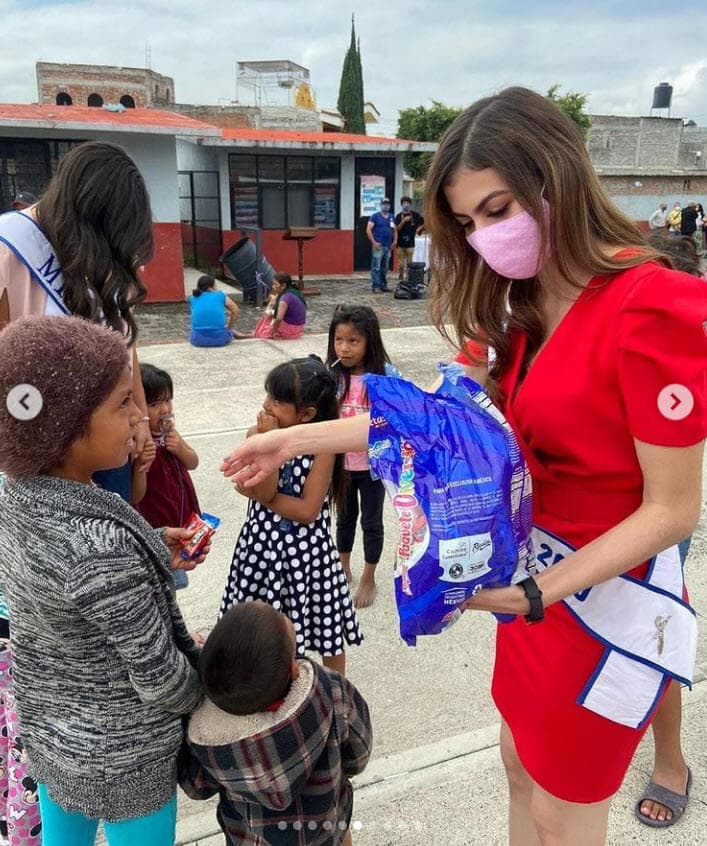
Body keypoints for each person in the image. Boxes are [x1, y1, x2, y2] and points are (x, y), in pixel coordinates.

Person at [220, 87, 705, 846]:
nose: (485, 236)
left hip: (590, 602)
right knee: (517, 767)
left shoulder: (652, 307)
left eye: (498, 208)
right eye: (469, 222)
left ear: (557, 179)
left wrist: (539, 594)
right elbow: (428, 423)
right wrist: (289, 441)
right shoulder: (515, 307)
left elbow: (672, 511)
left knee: (564, 808)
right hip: (525, 596)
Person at [0, 140, 157, 845]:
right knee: (69, 621)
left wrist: (139, 417)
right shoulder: (13, 251)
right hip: (41, 469)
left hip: (96, 455)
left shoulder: (90, 260)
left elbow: (121, 344)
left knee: (113, 589)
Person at [0, 315, 208, 846]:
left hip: (53, 738)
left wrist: (150, 547)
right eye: (123, 403)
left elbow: (69, 586)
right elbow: (162, 680)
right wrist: (205, 684)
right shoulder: (98, 548)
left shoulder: (16, 497)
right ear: (65, 427)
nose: (141, 416)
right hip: (125, 760)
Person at [178, 601, 372, 846]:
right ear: (293, 670)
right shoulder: (330, 692)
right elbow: (359, 753)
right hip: (327, 830)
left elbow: (196, 787)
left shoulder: (210, 739)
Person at [220, 357, 362, 678]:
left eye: (278, 400)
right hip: (261, 549)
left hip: (308, 554)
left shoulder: (323, 446)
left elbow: (305, 510)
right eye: (268, 395)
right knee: (261, 625)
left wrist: (259, 492)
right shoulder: (255, 433)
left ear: (307, 414)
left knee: (327, 628)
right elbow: (259, 488)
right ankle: (271, 684)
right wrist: (263, 452)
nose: (266, 405)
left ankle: (337, 688)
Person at [326, 305, 400, 608]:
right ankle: (342, 567)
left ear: (370, 341)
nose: (344, 348)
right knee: (344, 519)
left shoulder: (386, 376)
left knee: (371, 522)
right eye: (339, 340)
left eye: (353, 341)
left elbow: (401, 416)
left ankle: (369, 577)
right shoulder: (330, 377)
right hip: (341, 466)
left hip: (373, 468)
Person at [134, 363, 200, 591]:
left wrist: (180, 448)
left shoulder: (170, 433)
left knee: (173, 582)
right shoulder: (137, 442)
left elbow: (193, 462)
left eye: (167, 400)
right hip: (155, 522)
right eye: (154, 404)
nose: (164, 409)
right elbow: (135, 493)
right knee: (158, 582)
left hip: (178, 516)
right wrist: (142, 462)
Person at [188, 274, 243, 346]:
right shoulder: (220, 295)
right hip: (220, 339)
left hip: (197, 340)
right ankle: (237, 334)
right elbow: (235, 309)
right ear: (211, 287)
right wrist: (230, 327)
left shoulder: (192, 298)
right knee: (228, 331)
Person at [252, 271, 307, 340]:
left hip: (290, 331)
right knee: (270, 315)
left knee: (266, 317)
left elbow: (279, 318)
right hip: (298, 329)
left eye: (276, 284)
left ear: (283, 285)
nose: (273, 287)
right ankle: (254, 334)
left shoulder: (284, 298)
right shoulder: (294, 292)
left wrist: (273, 332)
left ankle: (257, 334)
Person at [366, 197, 396, 293]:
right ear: (380, 205)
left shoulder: (392, 217)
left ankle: (384, 285)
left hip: (388, 246)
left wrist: (395, 241)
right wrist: (374, 242)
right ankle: (376, 286)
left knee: (385, 267)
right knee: (376, 267)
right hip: (378, 246)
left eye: (387, 204)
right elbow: (368, 230)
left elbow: (395, 230)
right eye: (384, 204)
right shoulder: (375, 216)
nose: (386, 206)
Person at [394, 196, 425, 280]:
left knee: (409, 263)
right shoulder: (398, 216)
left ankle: (409, 279)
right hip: (400, 244)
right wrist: (403, 221)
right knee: (401, 264)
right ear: (401, 205)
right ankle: (400, 277)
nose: (406, 205)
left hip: (410, 243)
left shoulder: (415, 215)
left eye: (407, 203)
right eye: (404, 203)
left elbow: (424, 223)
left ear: (410, 204)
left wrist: (419, 229)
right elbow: (397, 228)